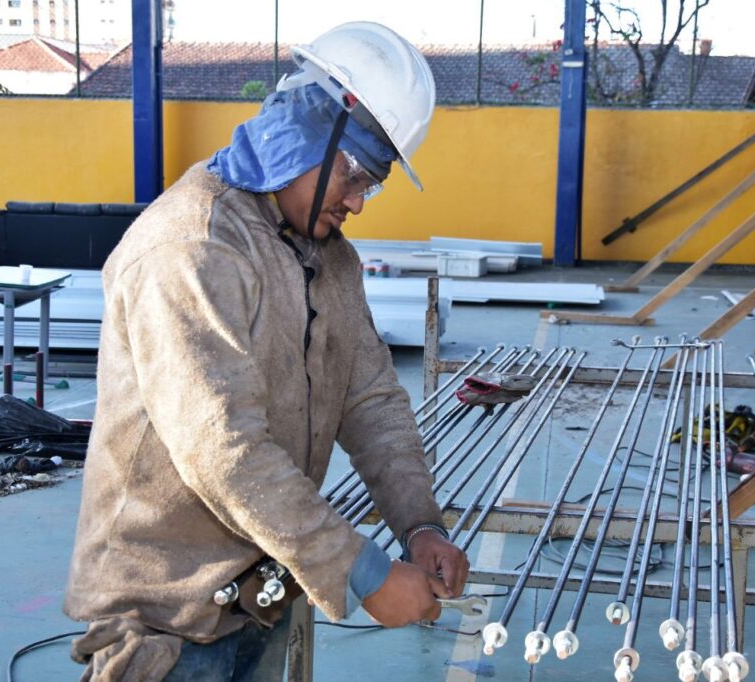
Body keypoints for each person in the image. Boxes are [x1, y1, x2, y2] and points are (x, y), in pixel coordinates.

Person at [63, 21, 469, 681]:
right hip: (170, 619)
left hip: (264, 588)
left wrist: (419, 524)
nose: (361, 203)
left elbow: (371, 399)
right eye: (357, 175)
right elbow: (223, 449)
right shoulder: (192, 249)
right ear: (310, 131)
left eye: (375, 183)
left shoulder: (326, 258)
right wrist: (364, 574)